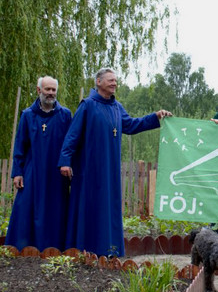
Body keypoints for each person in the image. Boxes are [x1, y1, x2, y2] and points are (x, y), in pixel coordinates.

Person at [58, 68, 172, 257]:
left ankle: (107, 249)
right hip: (89, 168)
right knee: (88, 206)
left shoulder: (117, 107)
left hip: (110, 170)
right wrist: (65, 161)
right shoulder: (87, 105)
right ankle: (83, 250)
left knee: (107, 209)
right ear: (98, 82)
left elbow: (132, 125)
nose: (114, 83)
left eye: (116, 81)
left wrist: (155, 117)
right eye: (110, 80)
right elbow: (72, 136)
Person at [6, 76, 73, 251]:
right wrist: (17, 172)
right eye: (47, 89)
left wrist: (69, 164)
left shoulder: (65, 115)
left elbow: (71, 143)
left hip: (56, 173)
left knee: (56, 209)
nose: (50, 93)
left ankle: (55, 248)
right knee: (26, 207)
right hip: (32, 171)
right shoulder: (28, 115)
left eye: (53, 90)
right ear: (39, 90)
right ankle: (22, 248)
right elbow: (20, 146)